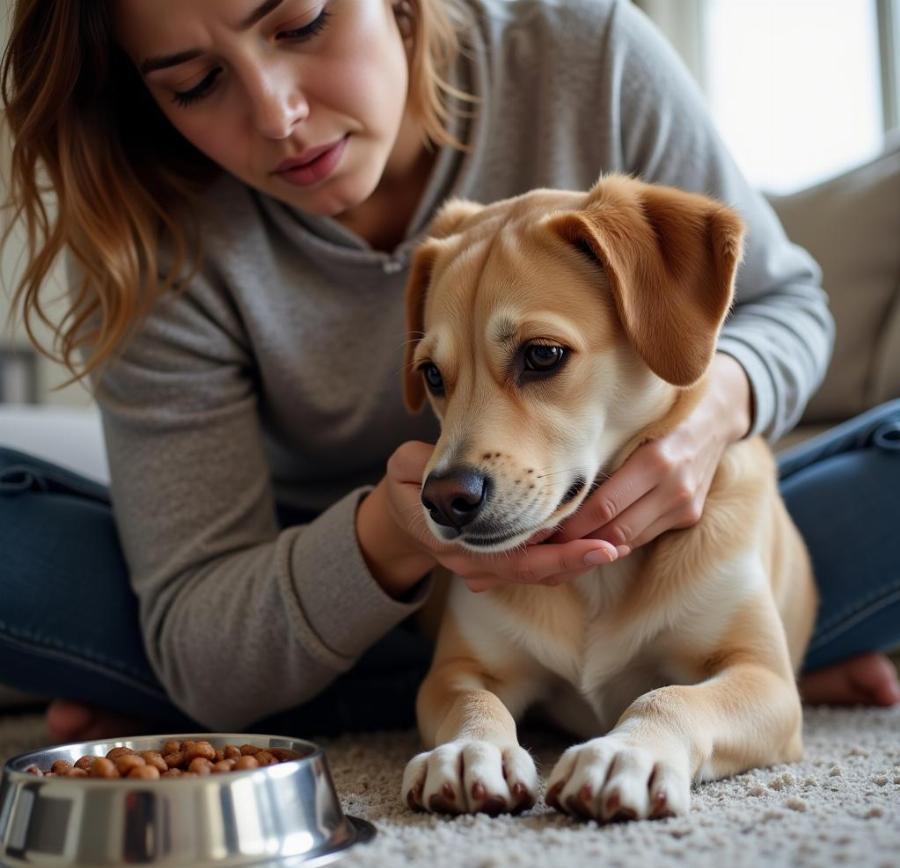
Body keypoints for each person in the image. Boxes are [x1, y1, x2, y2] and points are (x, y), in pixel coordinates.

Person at [1, 0, 898, 746]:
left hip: (669, 531)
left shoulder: (587, 51)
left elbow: (785, 306)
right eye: (196, 84)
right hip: (334, 575)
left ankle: (676, 658)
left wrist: (707, 422)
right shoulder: (150, 234)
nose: (276, 114)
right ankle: (728, 660)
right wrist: (390, 540)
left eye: (302, 23)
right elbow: (205, 633)